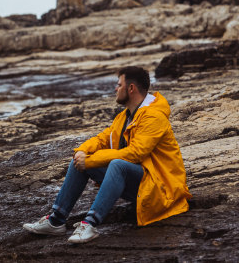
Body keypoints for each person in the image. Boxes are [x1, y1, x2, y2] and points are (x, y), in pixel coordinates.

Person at [23, 66, 191, 243]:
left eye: (119, 85)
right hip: (142, 184)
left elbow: (135, 153)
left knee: (117, 165)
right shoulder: (125, 117)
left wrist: (91, 161)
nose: (115, 89)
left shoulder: (154, 117)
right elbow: (102, 138)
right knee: (79, 161)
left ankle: (90, 224)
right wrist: (82, 151)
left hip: (161, 189)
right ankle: (56, 221)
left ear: (131, 88)